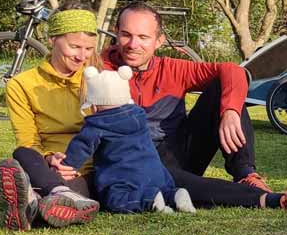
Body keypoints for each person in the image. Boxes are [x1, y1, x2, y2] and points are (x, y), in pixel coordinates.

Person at [59, 0, 287, 211]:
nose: (133, 45)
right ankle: (274, 200)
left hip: (177, 153)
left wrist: (230, 110)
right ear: (115, 34)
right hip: (130, 165)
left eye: (143, 37)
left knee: (222, 85)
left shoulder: (173, 68)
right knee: (182, 184)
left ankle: (246, 174)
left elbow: (233, 71)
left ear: (159, 41)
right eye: (126, 35)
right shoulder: (98, 70)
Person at [0, 7, 102, 230]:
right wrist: (50, 158)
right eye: (74, 47)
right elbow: (27, 139)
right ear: (53, 39)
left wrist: (75, 162)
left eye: (89, 49)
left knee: (71, 193)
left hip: (86, 166)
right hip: (44, 163)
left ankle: (32, 200)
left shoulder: (99, 79)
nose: (81, 56)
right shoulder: (21, 84)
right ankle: (50, 192)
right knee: (22, 153)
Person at [63, 65, 196, 215]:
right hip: (156, 171)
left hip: (123, 175)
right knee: (163, 189)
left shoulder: (97, 123)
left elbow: (81, 147)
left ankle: (149, 199)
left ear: (93, 105)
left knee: (115, 199)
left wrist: (66, 165)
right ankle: (175, 195)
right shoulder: (138, 114)